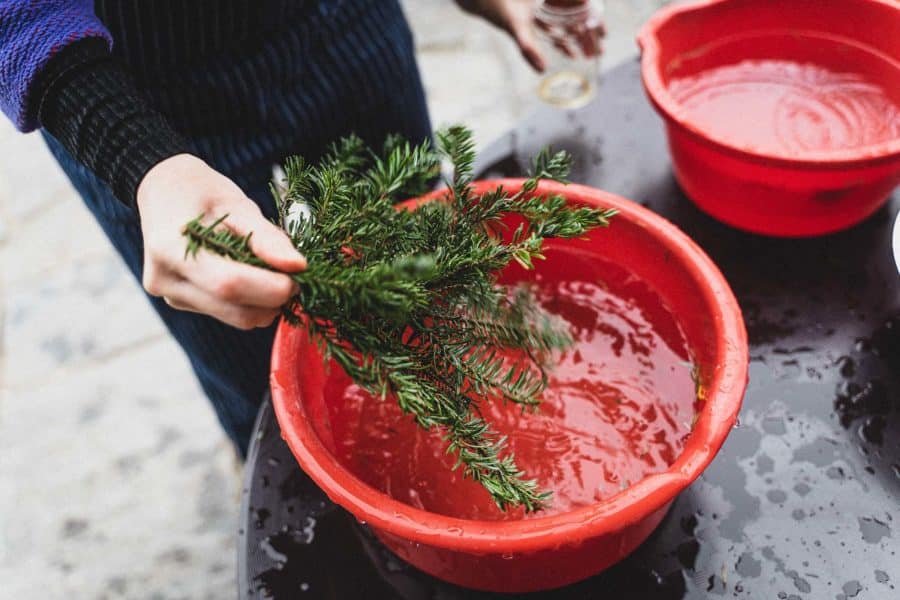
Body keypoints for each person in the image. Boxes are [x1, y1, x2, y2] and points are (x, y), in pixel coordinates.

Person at [0, 0, 598, 456]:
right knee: (254, 361)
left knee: (427, 284)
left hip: (346, 28)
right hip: (134, 95)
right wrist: (139, 159)